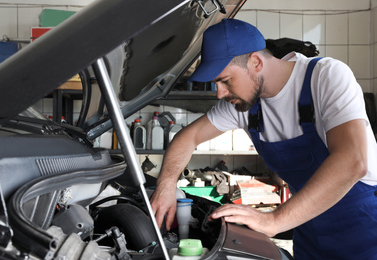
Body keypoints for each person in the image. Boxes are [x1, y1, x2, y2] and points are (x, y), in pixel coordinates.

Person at [150, 18, 377, 259]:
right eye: (216, 83)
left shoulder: (325, 76)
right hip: (308, 230)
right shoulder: (244, 106)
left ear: (256, 62)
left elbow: (352, 161)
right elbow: (188, 136)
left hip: (363, 229)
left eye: (225, 80)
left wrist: (275, 220)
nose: (220, 93)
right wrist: (166, 185)